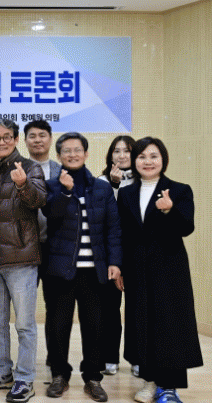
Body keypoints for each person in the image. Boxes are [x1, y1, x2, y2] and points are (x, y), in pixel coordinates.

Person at [118, 137, 202, 403]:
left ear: (163, 159)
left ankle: (169, 387)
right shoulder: (126, 193)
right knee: (142, 323)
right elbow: (123, 234)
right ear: (134, 161)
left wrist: (170, 211)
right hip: (137, 270)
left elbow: (186, 227)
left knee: (170, 325)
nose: (148, 161)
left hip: (169, 269)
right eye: (142, 156)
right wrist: (120, 267)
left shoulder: (179, 190)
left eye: (153, 156)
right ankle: (149, 381)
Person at [41, 132, 122, 402]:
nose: (72, 154)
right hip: (60, 270)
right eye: (66, 150)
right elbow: (52, 217)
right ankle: (59, 375)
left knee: (95, 326)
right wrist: (65, 192)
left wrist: (115, 262)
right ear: (59, 155)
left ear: (86, 154)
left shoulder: (102, 188)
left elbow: (113, 229)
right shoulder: (52, 186)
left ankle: (93, 378)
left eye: (77, 150)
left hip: (94, 271)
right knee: (57, 326)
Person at [0, 118, 46, 403]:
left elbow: (39, 201)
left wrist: (23, 184)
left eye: (7, 137)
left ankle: (25, 378)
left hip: (21, 259)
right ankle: (1, 371)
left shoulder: (30, 168)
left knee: (25, 324)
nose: (1, 142)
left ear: (16, 139)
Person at [97, 135, 137, 377]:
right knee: (109, 308)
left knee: (137, 308)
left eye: (127, 151)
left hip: (136, 253)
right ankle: (108, 357)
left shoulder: (144, 180)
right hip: (110, 253)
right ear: (110, 155)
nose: (122, 155)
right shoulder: (101, 182)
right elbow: (105, 218)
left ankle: (137, 358)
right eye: (117, 151)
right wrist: (114, 185)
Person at [23, 119, 60, 367]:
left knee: (55, 306)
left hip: (55, 248)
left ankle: (54, 358)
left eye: (42, 135)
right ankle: (25, 362)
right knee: (24, 309)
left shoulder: (62, 170)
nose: (37, 140)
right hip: (24, 247)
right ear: (25, 141)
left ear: (50, 139)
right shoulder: (17, 169)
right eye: (32, 136)